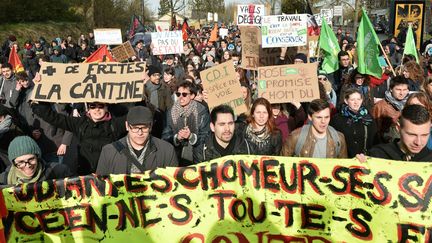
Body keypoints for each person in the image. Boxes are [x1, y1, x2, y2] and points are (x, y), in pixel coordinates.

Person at [32, 101, 127, 175]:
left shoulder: (115, 124)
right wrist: (41, 99)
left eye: (101, 106)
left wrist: (142, 87)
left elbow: (136, 115)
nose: (97, 109)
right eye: (93, 106)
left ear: (106, 107)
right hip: (86, 174)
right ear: (88, 109)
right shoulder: (80, 123)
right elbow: (54, 118)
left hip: (110, 173)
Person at [96, 106, 178, 175]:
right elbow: (100, 187)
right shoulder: (108, 152)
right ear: (127, 126)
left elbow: (174, 186)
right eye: (135, 128)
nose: (140, 133)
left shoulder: (167, 150)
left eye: (144, 127)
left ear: (151, 126)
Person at [162, 81, 210, 166]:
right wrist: (177, 137)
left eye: (184, 94)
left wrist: (191, 137)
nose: (180, 97)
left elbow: (206, 135)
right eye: (178, 94)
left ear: (192, 96)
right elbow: (166, 135)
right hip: (176, 157)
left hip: (197, 158)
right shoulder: (171, 112)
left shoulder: (202, 111)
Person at [282, 99, 348, 158]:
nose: (323, 121)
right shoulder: (295, 137)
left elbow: (343, 167)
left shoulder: (339, 138)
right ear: (310, 117)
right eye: (319, 117)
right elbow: (283, 164)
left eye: (327, 117)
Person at [367, 105, 432, 161]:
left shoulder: (430, 158)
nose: (418, 142)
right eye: (412, 135)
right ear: (398, 128)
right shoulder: (377, 155)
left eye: (424, 135)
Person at [0, 136, 72, 186]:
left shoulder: (58, 172)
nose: (28, 165)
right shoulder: (3, 180)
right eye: (21, 162)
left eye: (31, 159)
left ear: (37, 157)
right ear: (13, 163)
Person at [331, 89, 378, 158]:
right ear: (346, 101)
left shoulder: (368, 118)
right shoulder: (337, 119)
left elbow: (375, 140)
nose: (356, 102)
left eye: (358, 99)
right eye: (352, 100)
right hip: (345, 159)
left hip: (364, 159)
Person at [372, 76, 410, 143]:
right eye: (398, 89)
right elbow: (375, 130)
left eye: (404, 90)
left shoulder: (410, 103)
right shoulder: (380, 106)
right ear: (391, 89)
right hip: (388, 145)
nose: (402, 93)